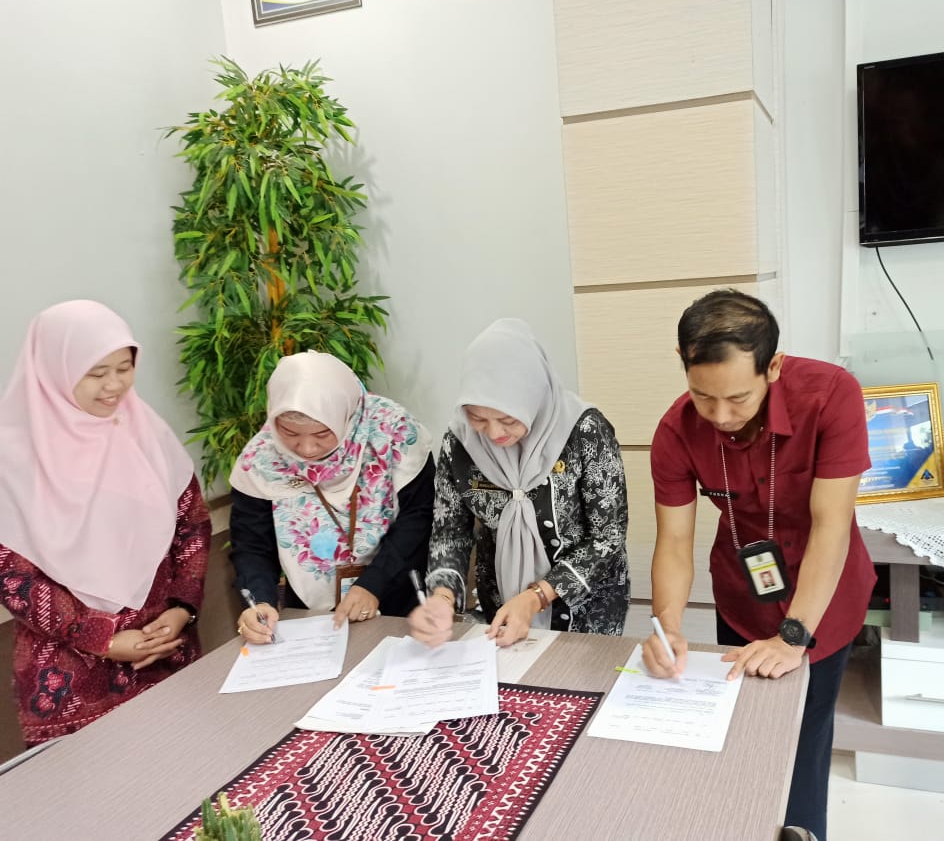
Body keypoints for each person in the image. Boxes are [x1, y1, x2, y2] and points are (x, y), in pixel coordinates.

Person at [643, 290, 874, 841]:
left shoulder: (831, 395)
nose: (721, 416)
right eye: (703, 396)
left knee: (803, 739)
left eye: (738, 398)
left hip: (823, 599)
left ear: (773, 366)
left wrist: (794, 636)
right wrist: (667, 627)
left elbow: (832, 525)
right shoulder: (676, 431)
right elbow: (674, 541)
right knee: (741, 735)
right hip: (743, 596)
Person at [0, 300, 209, 746]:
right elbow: (14, 577)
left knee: (191, 771)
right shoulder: (12, 458)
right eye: (95, 373)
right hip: (68, 675)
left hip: (163, 648)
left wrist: (181, 610)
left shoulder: (146, 434)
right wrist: (104, 639)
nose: (114, 385)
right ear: (54, 370)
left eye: (124, 368)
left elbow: (191, 525)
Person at [409, 319, 629, 649]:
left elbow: (607, 538)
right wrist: (442, 596)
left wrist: (536, 596)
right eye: (478, 418)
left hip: (584, 613)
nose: (494, 433)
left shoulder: (585, 431)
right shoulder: (460, 443)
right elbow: (450, 531)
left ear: (532, 398)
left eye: (508, 419)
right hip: (500, 607)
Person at [229, 351, 434, 641]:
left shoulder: (394, 433)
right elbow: (252, 544)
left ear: (345, 416)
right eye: (289, 433)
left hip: (398, 597)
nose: (307, 449)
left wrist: (374, 583)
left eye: (322, 434)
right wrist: (260, 600)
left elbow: (418, 518)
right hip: (312, 617)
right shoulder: (260, 460)